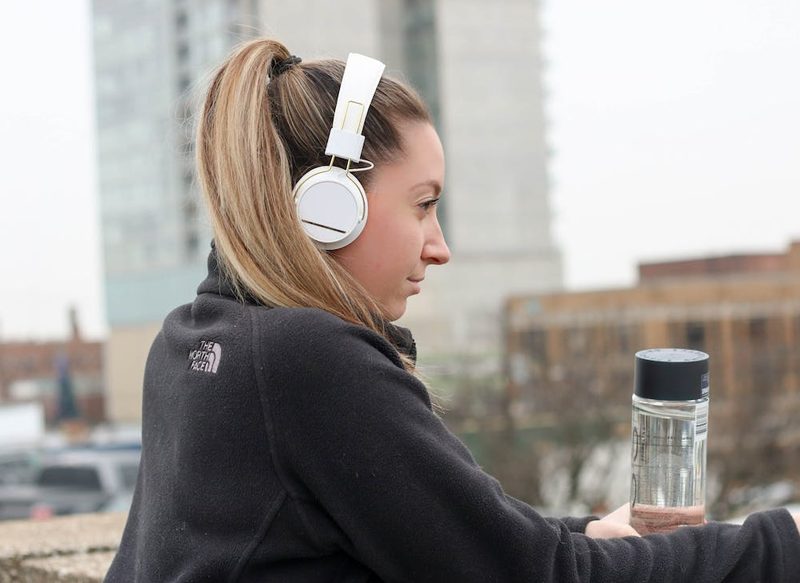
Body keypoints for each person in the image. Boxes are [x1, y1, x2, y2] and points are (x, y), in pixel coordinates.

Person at [105, 38, 800, 582]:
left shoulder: (195, 340)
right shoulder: (306, 361)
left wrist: (588, 533)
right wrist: (782, 541)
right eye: (424, 203)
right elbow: (531, 576)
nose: (440, 247)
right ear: (328, 210)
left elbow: (447, 535)